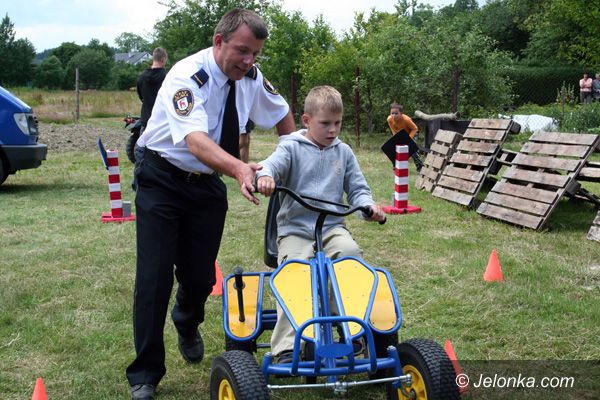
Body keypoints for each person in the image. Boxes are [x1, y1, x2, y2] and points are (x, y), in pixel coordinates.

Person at [126, 9, 295, 400]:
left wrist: (296, 156)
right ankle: (145, 374)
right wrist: (239, 168)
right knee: (154, 277)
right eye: (242, 51)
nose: (249, 61)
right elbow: (195, 142)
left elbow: (283, 113)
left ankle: (186, 321)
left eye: (255, 54)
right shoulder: (187, 77)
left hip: (206, 187)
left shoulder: (250, 77)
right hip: (162, 179)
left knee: (201, 277)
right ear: (219, 42)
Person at [255, 85, 386, 362]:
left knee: (350, 256)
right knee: (294, 271)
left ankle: (352, 331)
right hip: (296, 230)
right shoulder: (291, 147)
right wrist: (265, 177)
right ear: (307, 120)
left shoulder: (344, 152)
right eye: (325, 123)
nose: (333, 130)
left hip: (332, 228)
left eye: (337, 123)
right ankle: (286, 346)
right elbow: (270, 166)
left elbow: (358, 190)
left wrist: (368, 207)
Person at [137, 47, 168, 132]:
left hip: (146, 119)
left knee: (143, 140)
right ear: (163, 59)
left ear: (154, 58)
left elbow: (141, 97)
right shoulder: (168, 78)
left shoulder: (142, 77)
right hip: (162, 120)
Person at [386, 102, 423, 171]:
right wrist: (396, 138)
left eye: (396, 113)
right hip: (401, 134)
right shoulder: (389, 119)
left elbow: (415, 128)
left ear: (401, 113)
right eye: (392, 113)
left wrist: (408, 139)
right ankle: (396, 165)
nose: (394, 115)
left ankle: (420, 166)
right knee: (393, 148)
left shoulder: (406, 120)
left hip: (412, 132)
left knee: (412, 149)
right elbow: (393, 130)